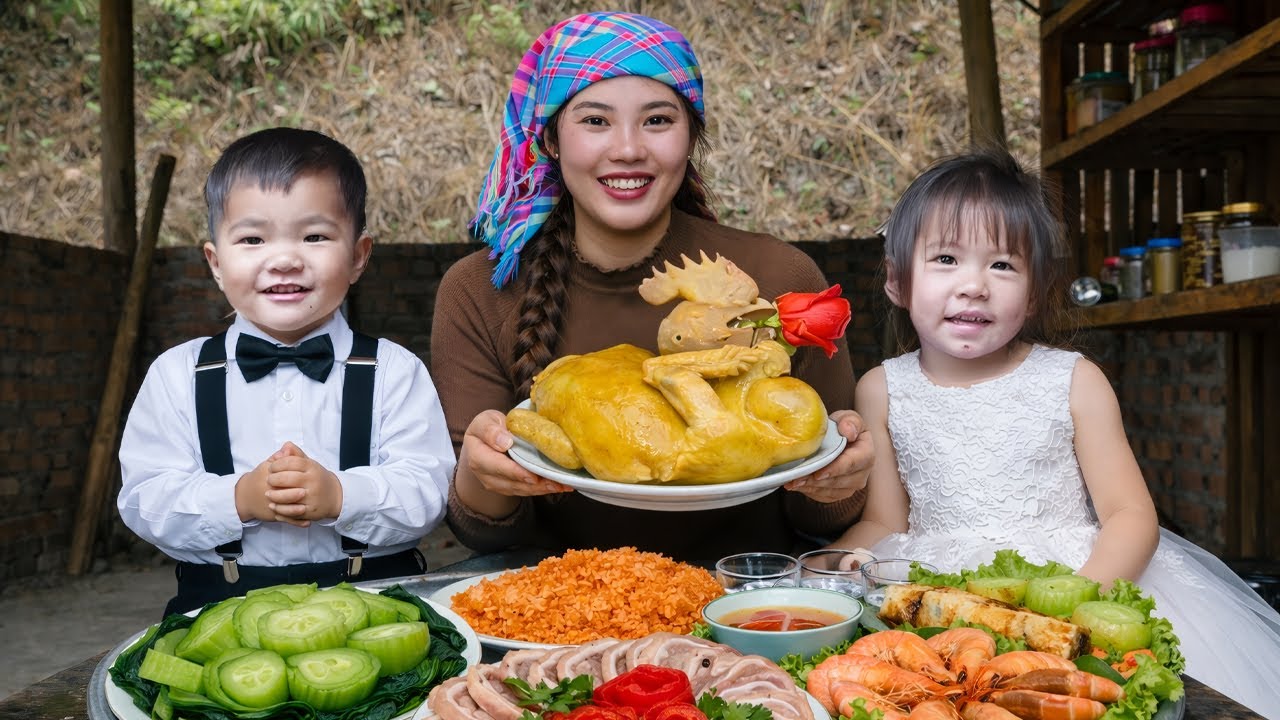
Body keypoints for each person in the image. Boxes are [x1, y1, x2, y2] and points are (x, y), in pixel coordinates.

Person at [827, 147, 1280, 715]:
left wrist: (1073, 607)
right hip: (940, 599)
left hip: (1076, 580)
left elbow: (1130, 514)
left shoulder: (1073, 379)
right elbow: (886, 521)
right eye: (945, 258)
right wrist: (829, 562)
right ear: (898, 280)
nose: (974, 285)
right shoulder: (881, 388)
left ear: (1036, 291)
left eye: (1002, 265)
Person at [430, 12, 874, 563]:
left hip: (747, 595)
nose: (628, 149)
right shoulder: (479, 289)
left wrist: (841, 480)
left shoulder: (779, 278)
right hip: (560, 600)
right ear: (549, 139)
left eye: (657, 120)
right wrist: (483, 469)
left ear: (691, 137)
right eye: (595, 121)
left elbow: (826, 515)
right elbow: (483, 533)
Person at [118, 127, 455, 616]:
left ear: (358, 256)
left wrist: (342, 495)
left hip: (378, 606)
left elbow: (427, 491)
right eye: (252, 239)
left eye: (314, 236)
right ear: (215, 262)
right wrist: (238, 498)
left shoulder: (395, 371)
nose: (283, 260)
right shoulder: (177, 375)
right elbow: (145, 499)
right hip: (216, 608)